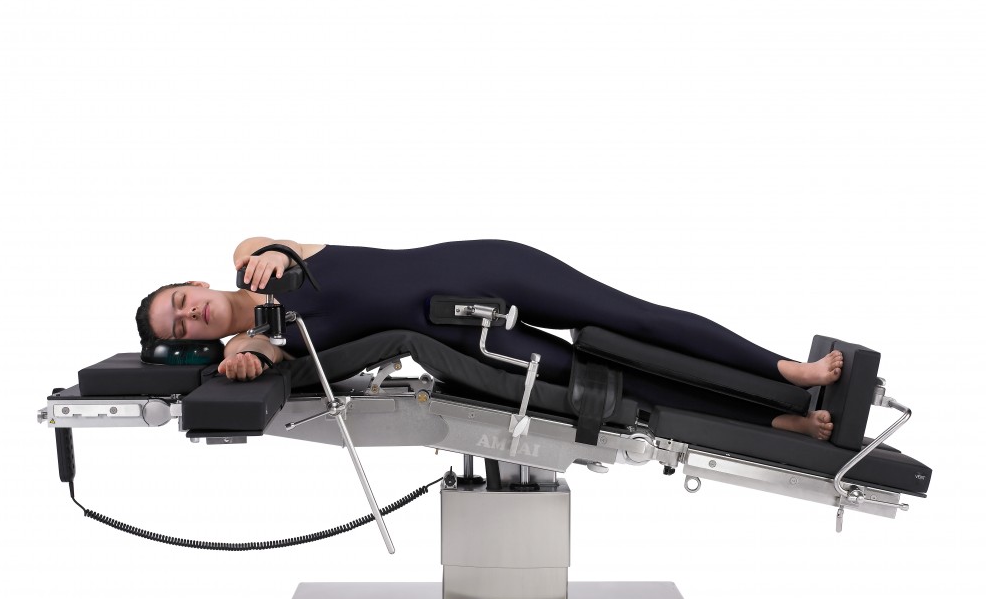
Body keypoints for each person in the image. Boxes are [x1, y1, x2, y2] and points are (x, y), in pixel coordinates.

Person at [136, 237, 843, 440]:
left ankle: (785, 369)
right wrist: (239, 358)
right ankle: (771, 420)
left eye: (180, 302)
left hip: (486, 265)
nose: (190, 314)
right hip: (473, 339)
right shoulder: (257, 346)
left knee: (636, 320)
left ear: (192, 283)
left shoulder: (253, 255)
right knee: (610, 386)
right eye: (179, 328)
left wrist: (270, 258)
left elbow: (264, 245)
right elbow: (254, 357)